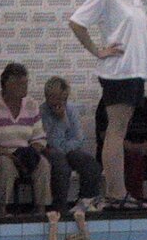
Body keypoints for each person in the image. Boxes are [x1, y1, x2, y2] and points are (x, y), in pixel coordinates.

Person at [70, 0, 147, 211]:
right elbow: (77, 22)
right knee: (116, 132)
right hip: (118, 72)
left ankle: (119, 191)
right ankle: (115, 193)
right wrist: (97, 50)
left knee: (120, 130)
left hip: (134, 71)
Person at [0, 62, 52, 212]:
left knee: (43, 164)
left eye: (25, 83)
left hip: (25, 151)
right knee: (6, 166)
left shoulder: (32, 104)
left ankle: (41, 210)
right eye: (19, 83)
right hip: (1, 153)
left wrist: (32, 151)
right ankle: (2, 211)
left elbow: (39, 137)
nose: (24, 87)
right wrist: (11, 155)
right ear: (6, 85)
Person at [41, 76, 102, 213]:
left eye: (64, 99)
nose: (60, 102)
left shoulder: (71, 110)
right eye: (56, 98)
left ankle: (85, 202)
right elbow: (50, 141)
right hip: (49, 150)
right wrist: (61, 119)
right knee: (61, 165)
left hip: (68, 148)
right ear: (48, 97)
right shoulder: (42, 112)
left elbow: (79, 138)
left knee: (90, 164)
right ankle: (60, 208)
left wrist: (65, 149)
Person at [99, 93, 147, 208]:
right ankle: (135, 201)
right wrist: (134, 148)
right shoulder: (108, 102)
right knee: (135, 159)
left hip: (144, 148)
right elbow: (106, 136)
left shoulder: (143, 102)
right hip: (123, 150)